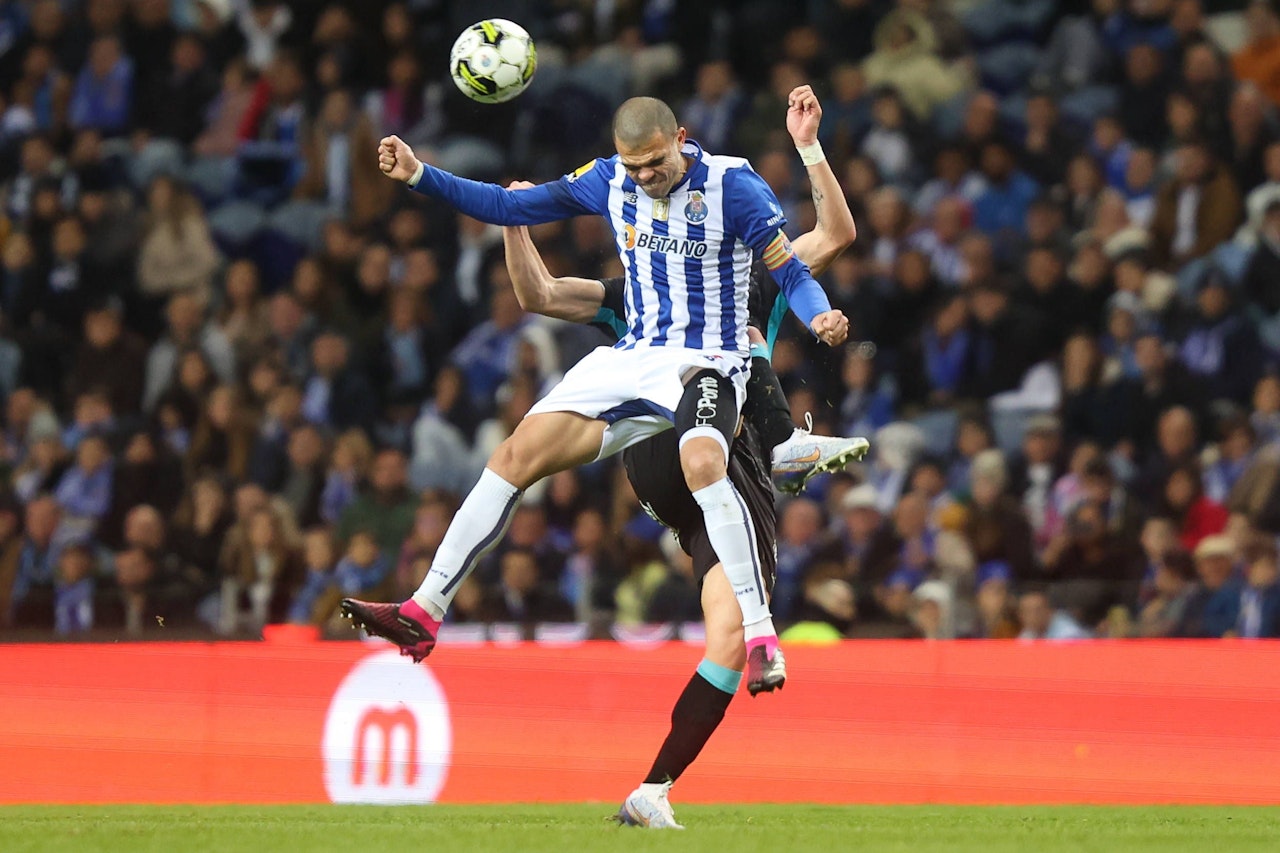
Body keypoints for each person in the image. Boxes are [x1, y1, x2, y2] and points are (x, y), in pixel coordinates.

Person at [343, 93, 850, 691]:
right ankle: (423, 610)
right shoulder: (610, 180)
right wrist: (420, 174)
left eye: (654, 162)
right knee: (513, 455)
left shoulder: (733, 185)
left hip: (709, 358)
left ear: (681, 138)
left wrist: (819, 316)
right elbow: (511, 206)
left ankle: (763, 636)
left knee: (703, 462)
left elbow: (791, 268)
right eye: (632, 165)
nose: (643, 177)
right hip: (632, 355)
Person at [495, 86, 865, 830]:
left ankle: (653, 789)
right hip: (711, 452)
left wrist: (809, 147)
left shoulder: (745, 267)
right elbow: (835, 234)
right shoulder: (652, 294)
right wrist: (516, 212)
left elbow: (833, 235)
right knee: (727, 373)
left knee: (727, 636)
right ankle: (784, 443)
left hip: (666, 478)